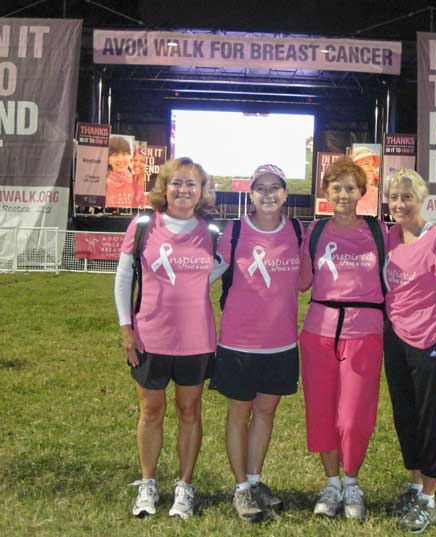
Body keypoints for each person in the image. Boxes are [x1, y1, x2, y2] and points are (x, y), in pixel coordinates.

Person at [113, 157, 217, 519]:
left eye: (191, 184)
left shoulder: (212, 231)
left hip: (196, 339)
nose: (183, 190)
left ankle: (185, 487)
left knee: (189, 411)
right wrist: (126, 326)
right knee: (151, 410)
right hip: (150, 337)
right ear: (164, 187)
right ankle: (147, 484)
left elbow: (218, 268)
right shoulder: (143, 225)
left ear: (201, 191)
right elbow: (125, 277)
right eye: (176, 183)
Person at [212, 164, 302, 521]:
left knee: (266, 413)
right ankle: (240, 489)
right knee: (239, 414)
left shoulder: (298, 230)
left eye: (275, 187)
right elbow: (201, 275)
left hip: (281, 344)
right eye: (260, 188)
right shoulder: (234, 232)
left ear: (285, 193)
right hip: (238, 344)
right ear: (250, 195)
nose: (268, 194)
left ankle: (254, 479)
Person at [298, 157, 387, 521]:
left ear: (362, 192)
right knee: (321, 411)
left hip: (365, 332)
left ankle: (352, 482)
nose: (344, 195)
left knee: (353, 417)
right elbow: (298, 280)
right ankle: (332, 484)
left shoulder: (380, 232)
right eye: (337, 188)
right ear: (326, 193)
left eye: (351, 188)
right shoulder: (314, 233)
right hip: (318, 331)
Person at [383, 169, 436, 533]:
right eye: (394, 197)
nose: (399, 204)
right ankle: (415, 486)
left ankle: (428, 500)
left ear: (421, 198)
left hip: (431, 338)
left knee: (431, 420)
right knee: (406, 416)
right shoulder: (389, 238)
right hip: (395, 338)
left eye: (406, 197)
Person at [349, 146, 380, 216]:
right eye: (366, 164)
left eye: (373, 164)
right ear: (355, 168)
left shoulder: (377, 194)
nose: (372, 169)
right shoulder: (346, 193)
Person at [105, 136, 134, 208]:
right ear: (108, 160)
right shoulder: (102, 183)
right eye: (115, 155)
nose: (120, 159)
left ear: (130, 157)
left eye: (124, 154)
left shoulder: (137, 183)